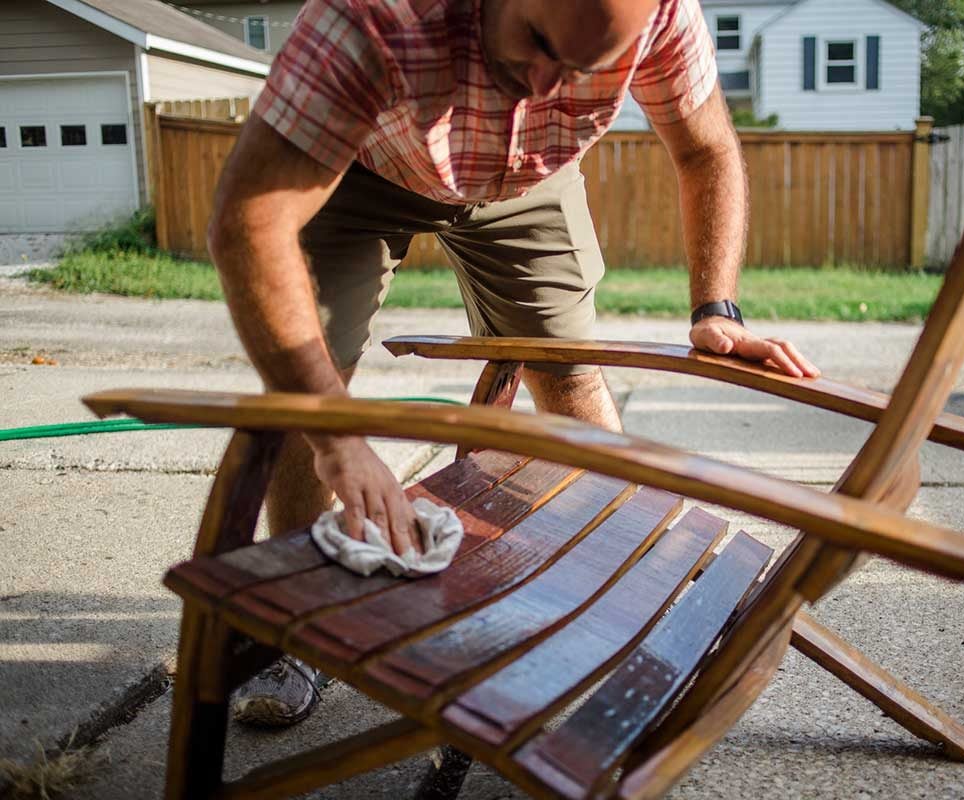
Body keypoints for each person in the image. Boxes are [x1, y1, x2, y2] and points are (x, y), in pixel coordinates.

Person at [207, 0, 821, 727]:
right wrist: (336, 438)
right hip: (360, 162)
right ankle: (292, 632)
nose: (541, 84)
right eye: (534, 43)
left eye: (579, 69)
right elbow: (249, 220)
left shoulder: (663, 17)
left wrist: (717, 307)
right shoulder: (375, 17)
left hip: (525, 179)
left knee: (563, 366)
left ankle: (628, 596)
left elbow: (706, 149)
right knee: (310, 388)